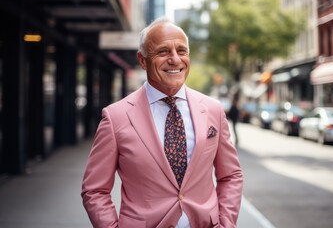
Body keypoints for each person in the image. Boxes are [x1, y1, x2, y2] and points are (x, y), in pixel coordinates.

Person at [81, 17, 243, 228]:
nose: (175, 59)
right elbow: (94, 189)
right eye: (163, 51)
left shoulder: (213, 110)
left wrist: (226, 224)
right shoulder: (115, 117)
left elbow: (231, 175)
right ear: (142, 60)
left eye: (181, 51)